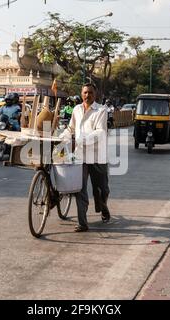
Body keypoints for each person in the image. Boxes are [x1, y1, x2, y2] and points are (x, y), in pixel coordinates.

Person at [60, 83, 110, 232]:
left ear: (95, 94)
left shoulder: (101, 110)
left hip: (97, 155)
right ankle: (83, 223)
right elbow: (71, 128)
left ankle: (103, 207)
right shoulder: (76, 109)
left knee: (102, 190)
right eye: (85, 93)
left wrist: (82, 139)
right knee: (80, 189)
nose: (87, 95)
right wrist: (62, 138)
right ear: (81, 94)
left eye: (90, 93)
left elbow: (100, 131)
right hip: (80, 155)